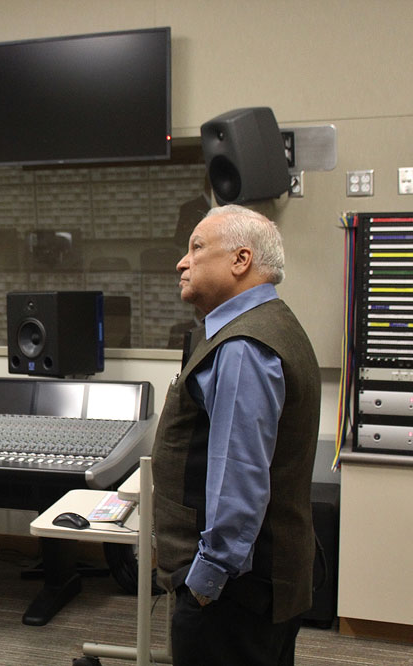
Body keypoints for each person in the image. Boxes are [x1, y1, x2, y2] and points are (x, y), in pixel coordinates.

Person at [152, 204, 320, 665]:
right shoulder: (273, 322)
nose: (182, 262)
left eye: (196, 248)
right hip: (262, 582)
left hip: (233, 594)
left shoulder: (244, 346)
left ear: (240, 260)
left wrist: (205, 584)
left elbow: (239, 476)